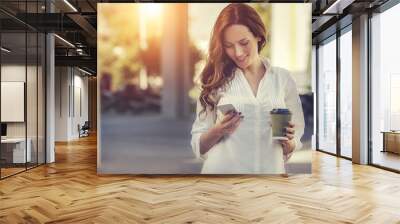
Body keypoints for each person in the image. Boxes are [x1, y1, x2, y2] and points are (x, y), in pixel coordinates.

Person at [190, 3, 305, 174]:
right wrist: (218, 130)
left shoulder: (283, 79)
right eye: (228, 45)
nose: (237, 53)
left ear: (258, 36)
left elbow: (296, 138)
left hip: (269, 181)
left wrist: (289, 144)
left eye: (244, 43)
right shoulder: (216, 80)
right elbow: (198, 144)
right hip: (223, 181)